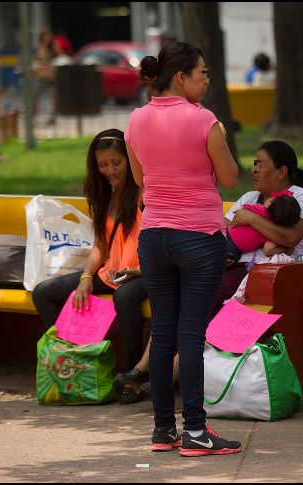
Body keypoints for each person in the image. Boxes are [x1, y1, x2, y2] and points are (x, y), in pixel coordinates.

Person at [125, 41, 241, 456]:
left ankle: (163, 430)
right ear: (181, 77)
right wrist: (220, 139)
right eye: (203, 73)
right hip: (198, 237)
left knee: (163, 336)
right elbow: (229, 178)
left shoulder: (135, 120)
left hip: (154, 237)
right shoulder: (204, 119)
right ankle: (195, 431)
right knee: (191, 336)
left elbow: (141, 176)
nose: (207, 81)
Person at [31, 129, 149, 406]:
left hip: (145, 272)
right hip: (112, 272)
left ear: (129, 160)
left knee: (125, 297)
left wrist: (139, 270)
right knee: (43, 293)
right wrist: (86, 276)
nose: (109, 170)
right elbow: (99, 245)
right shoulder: (102, 194)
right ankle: (78, 361)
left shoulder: (145, 193)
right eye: (102, 164)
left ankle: (132, 377)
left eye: (116, 162)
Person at [212, 140, 303, 315]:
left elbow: (291, 237)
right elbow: (224, 229)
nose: (254, 170)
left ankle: (200, 340)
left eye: (260, 165)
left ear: (282, 171)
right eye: (254, 165)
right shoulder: (250, 197)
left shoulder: (300, 196)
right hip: (235, 265)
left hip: (270, 272)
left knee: (211, 291)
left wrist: (250, 218)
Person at [225, 192, 301, 263]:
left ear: (269, 203)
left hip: (223, 236)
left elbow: (240, 211)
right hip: (231, 250)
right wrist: (287, 250)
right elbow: (268, 250)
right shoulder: (270, 233)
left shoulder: (256, 208)